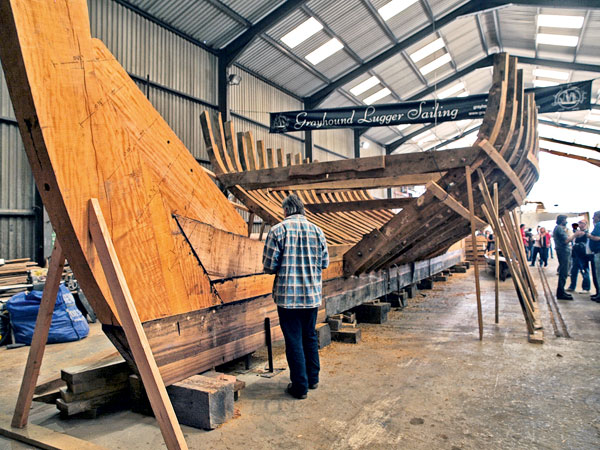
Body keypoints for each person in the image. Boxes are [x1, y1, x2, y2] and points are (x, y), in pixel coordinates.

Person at [263, 194, 329, 399]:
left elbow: (269, 266)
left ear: (285, 211)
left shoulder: (277, 231)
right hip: (311, 296)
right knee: (309, 336)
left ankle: (300, 387)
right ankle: (313, 379)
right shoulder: (318, 232)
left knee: (293, 340)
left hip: (288, 298)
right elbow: (324, 263)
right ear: (302, 210)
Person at [553, 215, 584, 300]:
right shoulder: (559, 228)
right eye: (565, 220)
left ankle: (561, 291)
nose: (566, 222)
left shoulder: (558, 228)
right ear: (562, 220)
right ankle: (560, 292)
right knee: (564, 271)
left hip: (564, 251)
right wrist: (575, 235)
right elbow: (566, 240)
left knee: (565, 271)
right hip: (563, 251)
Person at [567, 220, 592, 294]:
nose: (580, 224)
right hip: (575, 254)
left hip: (583, 255)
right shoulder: (576, 232)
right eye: (579, 223)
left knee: (584, 270)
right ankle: (572, 286)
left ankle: (586, 288)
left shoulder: (587, 233)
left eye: (581, 223)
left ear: (585, 224)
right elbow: (572, 239)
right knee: (573, 271)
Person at [586, 211, 600, 302]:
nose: (593, 218)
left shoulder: (598, 225)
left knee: (599, 275)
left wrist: (588, 235)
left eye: (594, 216)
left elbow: (597, 237)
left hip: (598, 252)